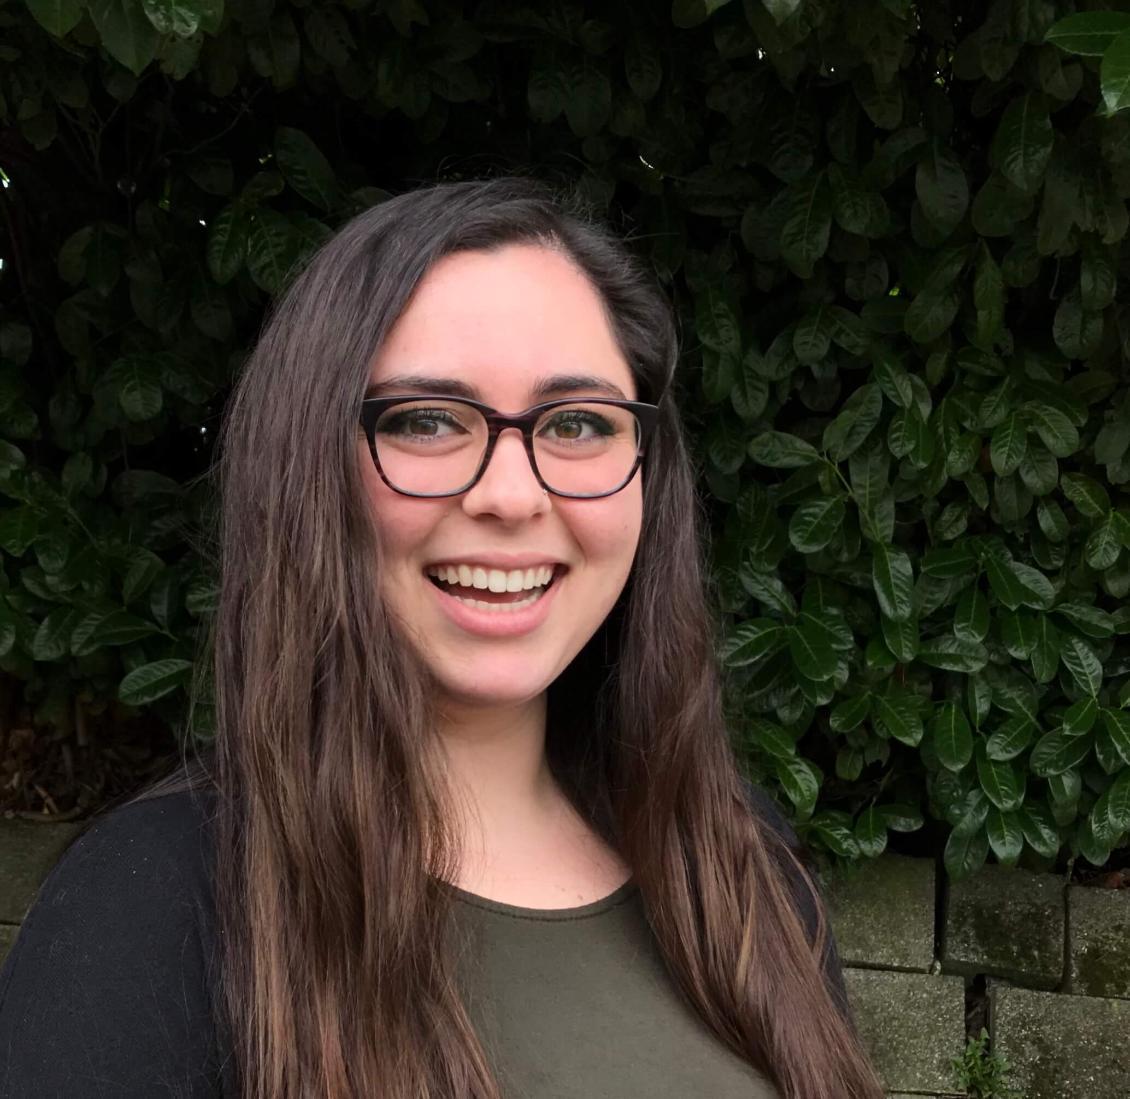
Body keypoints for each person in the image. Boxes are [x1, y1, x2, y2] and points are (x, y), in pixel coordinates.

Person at [0, 178, 884, 1099]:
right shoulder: (142, 914)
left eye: (578, 422)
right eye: (427, 420)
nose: (511, 493)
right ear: (308, 469)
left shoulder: (733, 854)